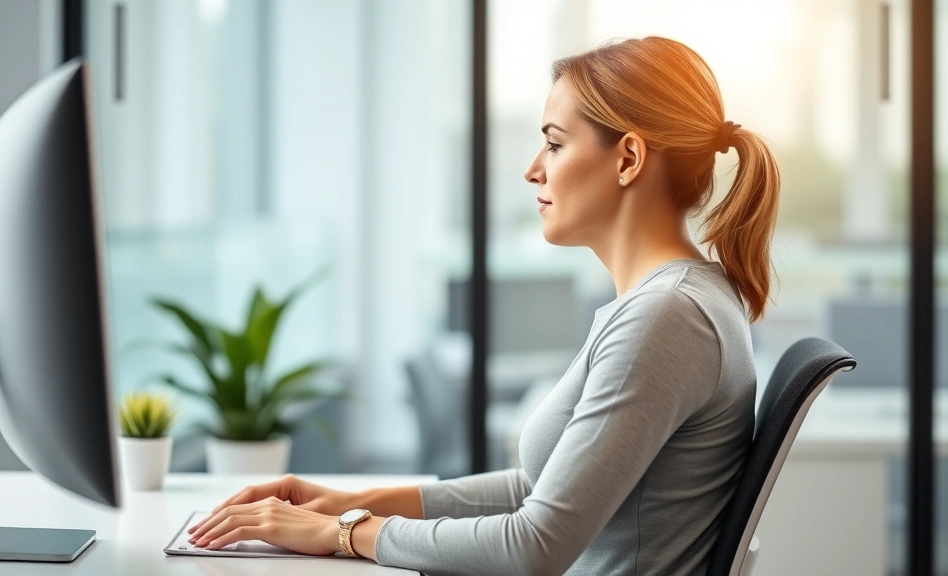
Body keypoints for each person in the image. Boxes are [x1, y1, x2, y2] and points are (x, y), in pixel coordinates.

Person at [185, 35, 779, 576]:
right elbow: (540, 490)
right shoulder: (676, 302)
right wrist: (349, 504)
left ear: (627, 159)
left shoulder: (667, 317)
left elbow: (534, 545)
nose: (532, 169)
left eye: (554, 143)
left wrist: (344, 534)